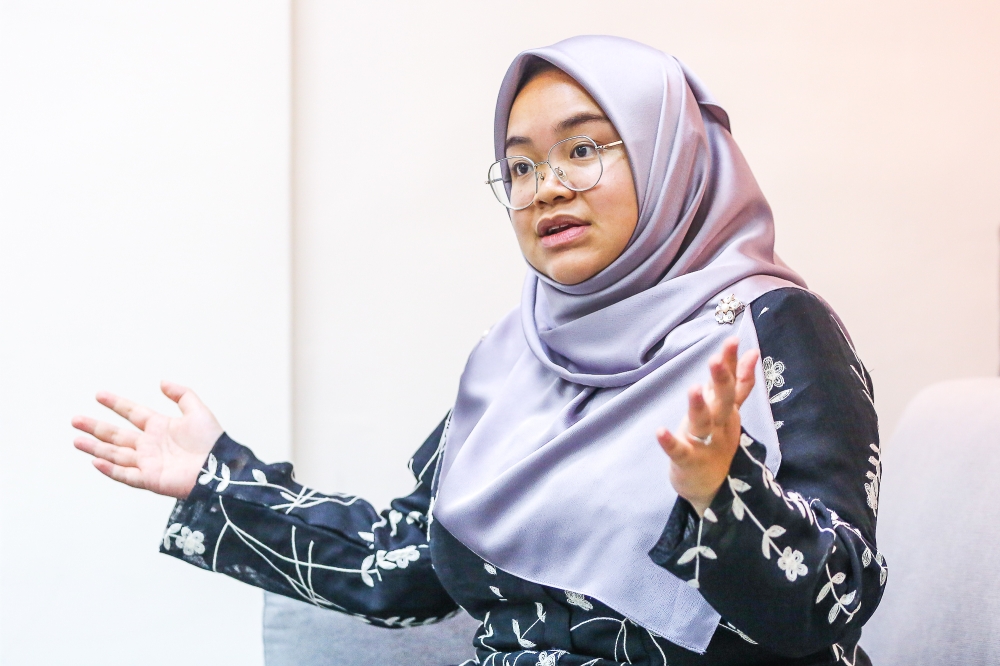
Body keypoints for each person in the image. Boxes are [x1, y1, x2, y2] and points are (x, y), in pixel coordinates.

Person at [72, 35, 885, 666]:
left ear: (672, 154)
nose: (547, 186)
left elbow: (831, 607)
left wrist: (723, 495)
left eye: (585, 148)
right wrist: (217, 479)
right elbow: (404, 563)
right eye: (521, 165)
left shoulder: (772, 328)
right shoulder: (511, 362)